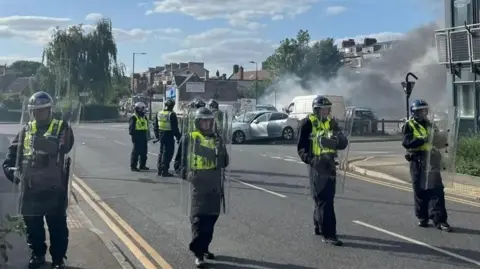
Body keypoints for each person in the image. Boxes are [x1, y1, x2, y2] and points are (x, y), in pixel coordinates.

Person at [2, 91, 74, 269]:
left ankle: (58, 259)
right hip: (30, 187)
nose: (38, 114)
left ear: (50, 110)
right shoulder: (26, 129)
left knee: (57, 227)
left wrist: (44, 143)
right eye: (35, 111)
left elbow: (65, 146)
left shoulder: (61, 127)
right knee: (32, 226)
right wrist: (10, 169)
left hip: (54, 187)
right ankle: (38, 255)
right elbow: (12, 154)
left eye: (42, 111)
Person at [173, 107, 229, 268]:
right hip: (198, 185)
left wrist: (220, 152)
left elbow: (225, 162)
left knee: (211, 220)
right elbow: (178, 164)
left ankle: (204, 247)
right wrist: (187, 175)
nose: (206, 123)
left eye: (209, 121)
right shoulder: (189, 138)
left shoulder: (218, 138)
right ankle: (198, 254)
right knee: (198, 220)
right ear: (197, 122)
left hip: (214, 184)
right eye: (203, 121)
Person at [297, 95, 348, 246]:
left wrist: (338, 141)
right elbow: (302, 148)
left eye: (328, 109)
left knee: (325, 199)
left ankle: (319, 226)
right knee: (324, 200)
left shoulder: (331, 123)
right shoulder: (307, 123)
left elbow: (343, 142)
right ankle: (329, 234)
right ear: (316, 110)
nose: (326, 112)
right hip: (317, 167)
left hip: (330, 165)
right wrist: (312, 161)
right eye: (323, 109)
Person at [402, 99, 451, 232]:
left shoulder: (431, 124)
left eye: (425, 110)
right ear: (415, 112)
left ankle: (440, 220)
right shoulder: (409, 125)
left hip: (431, 160)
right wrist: (422, 139)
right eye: (421, 111)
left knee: (436, 190)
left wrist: (444, 138)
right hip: (417, 160)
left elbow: (437, 141)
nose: (424, 113)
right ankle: (422, 217)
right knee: (419, 190)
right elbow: (407, 142)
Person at [153, 99, 181, 177]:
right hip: (168, 135)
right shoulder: (171, 114)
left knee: (161, 152)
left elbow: (155, 125)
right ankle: (164, 171)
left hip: (161, 134)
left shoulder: (159, 113)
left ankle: (159, 170)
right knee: (167, 153)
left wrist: (157, 135)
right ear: (172, 106)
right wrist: (179, 137)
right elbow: (175, 128)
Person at [129, 102, 150, 171]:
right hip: (137, 136)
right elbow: (131, 129)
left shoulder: (144, 117)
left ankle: (142, 165)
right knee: (136, 152)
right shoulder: (134, 117)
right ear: (138, 109)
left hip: (143, 135)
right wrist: (134, 137)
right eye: (142, 108)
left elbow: (147, 126)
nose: (144, 110)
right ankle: (133, 166)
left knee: (144, 152)